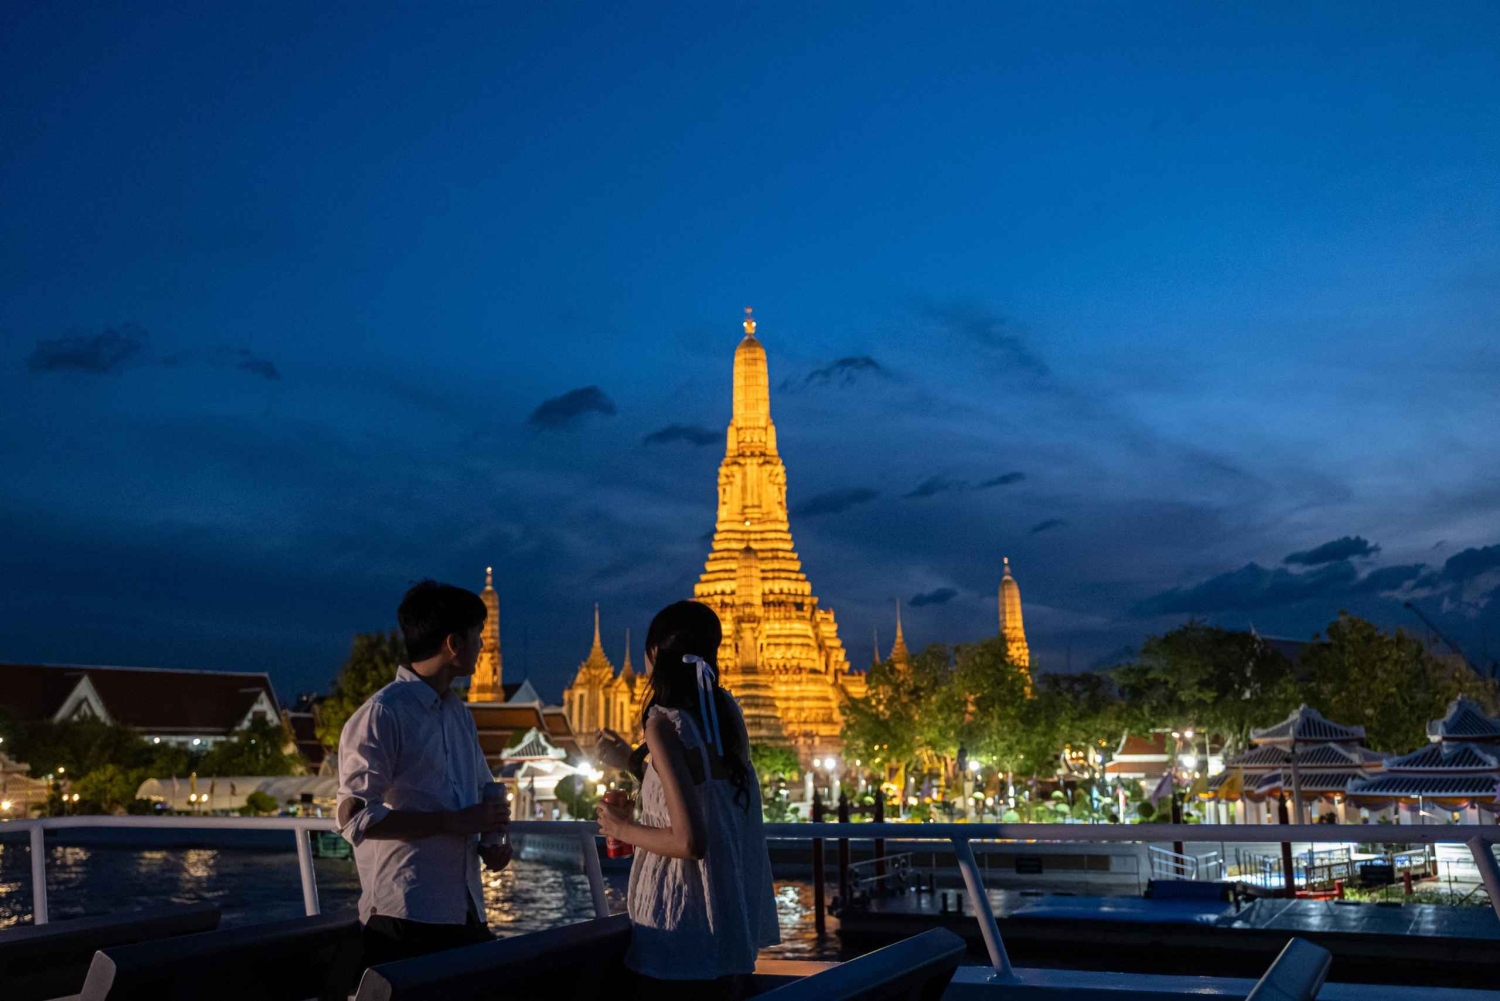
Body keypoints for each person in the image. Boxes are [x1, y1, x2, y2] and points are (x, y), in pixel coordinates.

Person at [594, 600, 778, 1000]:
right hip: (727, 915)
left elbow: (689, 841)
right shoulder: (726, 712)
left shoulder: (661, 724)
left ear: (656, 655)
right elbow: (703, 787)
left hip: (677, 919)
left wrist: (619, 827)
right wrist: (631, 762)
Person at [336, 580, 512, 972]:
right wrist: (454, 822)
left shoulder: (459, 714)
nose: (483, 646)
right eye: (477, 636)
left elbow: (485, 793)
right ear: (454, 644)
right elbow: (354, 817)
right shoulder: (384, 713)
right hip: (406, 913)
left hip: (464, 909)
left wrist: (490, 840)